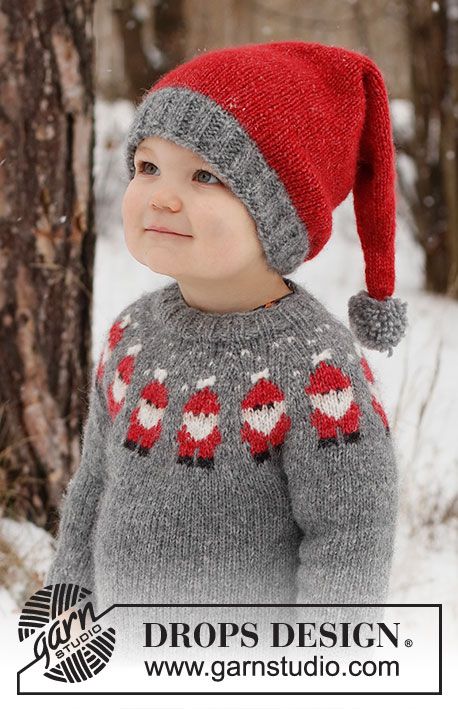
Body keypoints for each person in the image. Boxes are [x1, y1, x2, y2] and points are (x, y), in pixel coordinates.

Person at [45, 42, 408, 634]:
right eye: (148, 166)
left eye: (205, 175)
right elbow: (93, 489)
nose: (161, 195)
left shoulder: (318, 372)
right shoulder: (134, 337)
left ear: (279, 216)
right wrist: (63, 622)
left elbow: (350, 539)